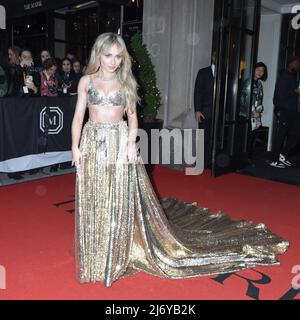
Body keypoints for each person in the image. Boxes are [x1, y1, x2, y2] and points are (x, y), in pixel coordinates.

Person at [71, 33, 288, 287]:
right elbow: (78, 117)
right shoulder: (86, 82)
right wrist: (75, 147)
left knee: (118, 197)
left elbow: (132, 119)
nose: (113, 61)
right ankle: (95, 250)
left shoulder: (126, 82)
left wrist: (131, 143)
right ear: (98, 54)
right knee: (95, 196)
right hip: (93, 141)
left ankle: (115, 253)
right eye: (108, 55)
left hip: (119, 143)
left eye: (118, 56)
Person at [270, 56, 300, 168]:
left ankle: (282, 154)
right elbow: (281, 94)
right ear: (291, 63)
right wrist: (296, 91)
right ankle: (274, 159)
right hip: (284, 109)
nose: (298, 66)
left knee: (297, 132)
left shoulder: (293, 76)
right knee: (281, 134)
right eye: (297, 63)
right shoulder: (284, 75)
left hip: (292, 110)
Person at [240, 62, 268, 158]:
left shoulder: (259, 84)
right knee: (246, 138)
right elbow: (243, 100)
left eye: (262, 71)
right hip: (245, 114)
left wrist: (259, 110)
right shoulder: (248, 82)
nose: (260, 72)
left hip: (255, 115)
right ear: (253, 70)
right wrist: (253, 111)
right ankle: (243, 158)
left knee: (252, 137)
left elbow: (259, 99)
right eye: (258, 70)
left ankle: (247, 157)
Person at [194, 50, 216, 168]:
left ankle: (210, 162)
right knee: (204, 138)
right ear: (212, 57)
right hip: (204, 111)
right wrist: (197, 110)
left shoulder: (226, 73)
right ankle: (201, 162)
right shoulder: (203, 72)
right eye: (215, 55)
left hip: (219, 113)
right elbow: (198, 92)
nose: (217, 57)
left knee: (215, 138)